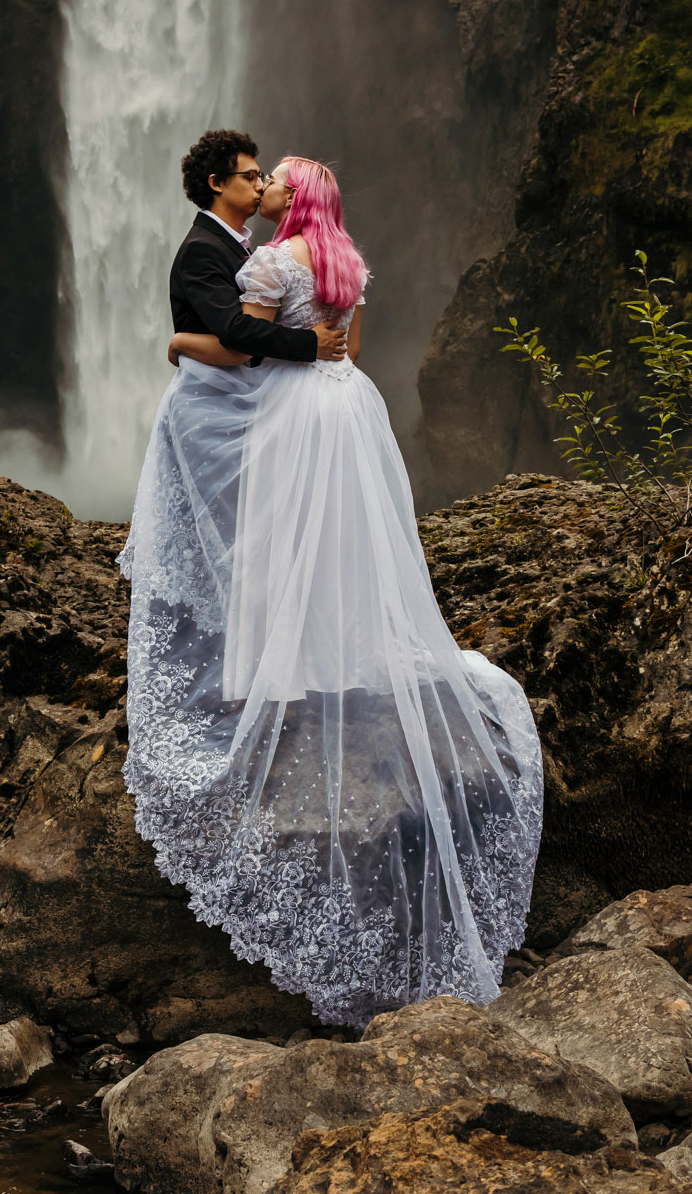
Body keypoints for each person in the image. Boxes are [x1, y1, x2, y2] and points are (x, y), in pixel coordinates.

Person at [122, 152, 543, 1027]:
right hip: (352, 407)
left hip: (294, 412)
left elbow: (245, 344)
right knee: (348, 540)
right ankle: (343, 656)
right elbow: (342, 345)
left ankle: (279, 668)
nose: (268, 183)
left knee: (283, 544)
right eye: (256, 172)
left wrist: (177, 342)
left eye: (277, 177)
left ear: (294, 200)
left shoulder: (272, 262)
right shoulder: (350, 262)